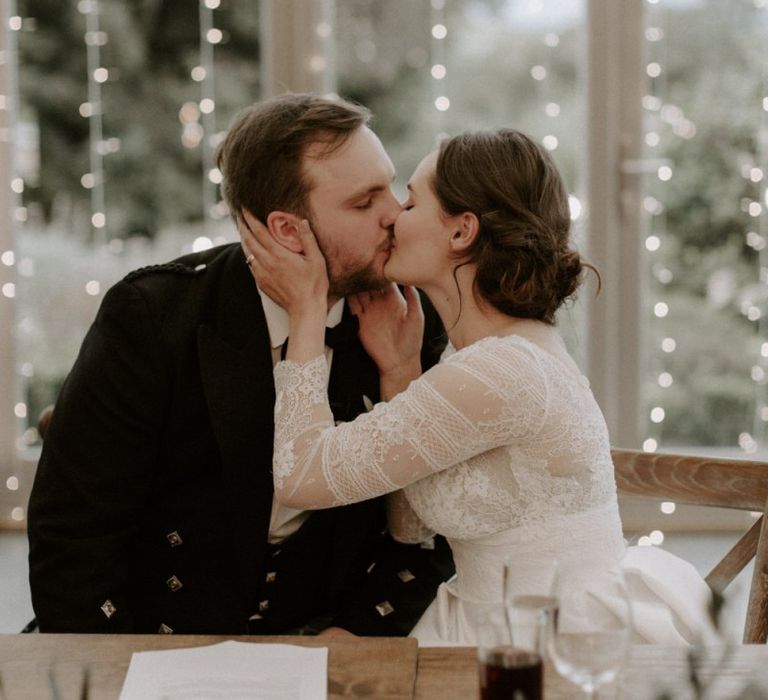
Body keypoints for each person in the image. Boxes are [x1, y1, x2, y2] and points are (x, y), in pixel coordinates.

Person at [241, 128, 714, 645]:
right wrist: (400, 371)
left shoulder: (501, 372)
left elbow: (301, 476)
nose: (395, 213)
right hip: (480, 627)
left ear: (462, 232)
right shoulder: (488, 356)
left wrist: (306, 311)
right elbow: (411, 527)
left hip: (552, 647)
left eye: (413, 200)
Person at [27, 93, 454, 635]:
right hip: (153, 648)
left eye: (390, 187)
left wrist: (354, 639)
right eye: (365, 201)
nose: (394, 213)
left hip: (330, 643)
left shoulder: (413, 318)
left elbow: (428, 533)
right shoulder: (154, 316)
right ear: (286, 230)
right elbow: (74, 537)